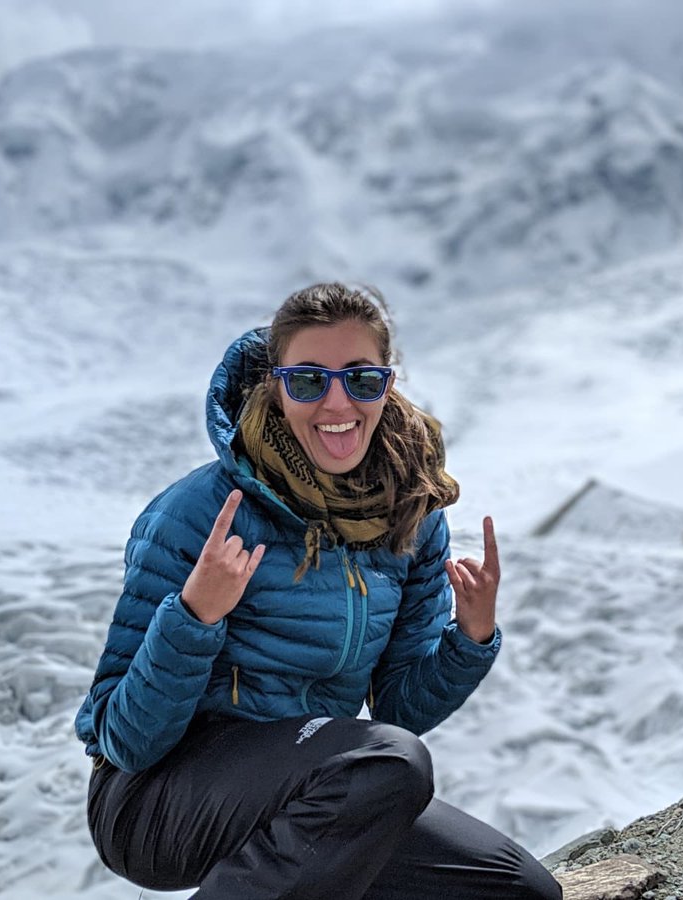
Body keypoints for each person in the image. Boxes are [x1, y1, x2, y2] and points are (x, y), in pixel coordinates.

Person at [74, 283, 562, 899]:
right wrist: (194, 618)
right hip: (156, 800)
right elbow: (127, 740)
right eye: (307, 380)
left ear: (387, 383)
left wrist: (469, 639)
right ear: (275, 386)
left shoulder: (410, 515)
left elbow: (400, 713)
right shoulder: (200, 513)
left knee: (519, 889)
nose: (337, 401)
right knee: (391, 760)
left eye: (361, 379)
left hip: (318, 790)